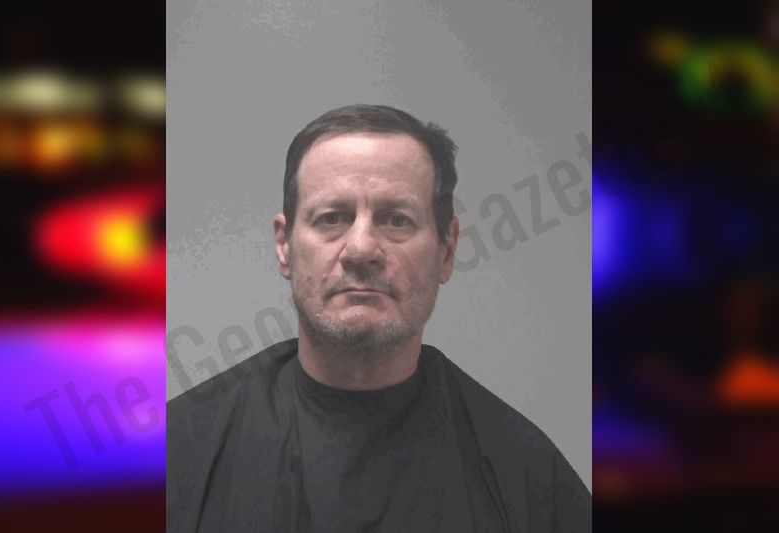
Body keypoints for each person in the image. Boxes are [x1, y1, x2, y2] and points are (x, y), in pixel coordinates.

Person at [167, 104, 591, 532]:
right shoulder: (177, 456)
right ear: (284, 247)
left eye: (397, 220)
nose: (361, 249)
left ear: (446, 250)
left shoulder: (527, 478)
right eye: (332, 218)